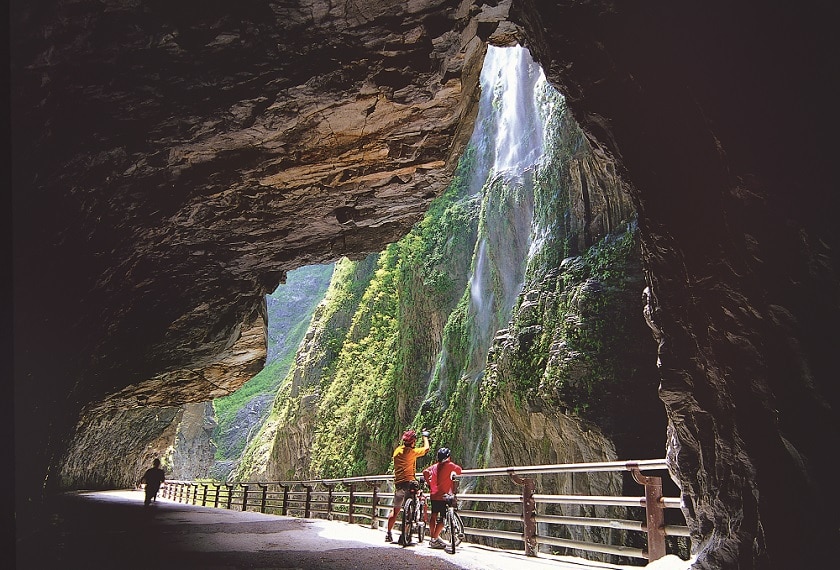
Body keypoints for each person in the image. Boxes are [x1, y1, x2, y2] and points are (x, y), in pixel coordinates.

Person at [385, 428, 430, 543]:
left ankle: (388, 533)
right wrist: (425, 437)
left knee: (395, 511)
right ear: (413, 442)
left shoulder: (397, 451)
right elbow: (426, 449)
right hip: (409, 483)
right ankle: (404, 535)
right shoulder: (412, 452)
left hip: (398, 484)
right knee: (410, 509)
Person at [422, 447, 463, 549]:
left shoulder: (435, 466)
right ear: (448, 457)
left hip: (433, 494)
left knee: (434, 515)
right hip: (443, 495)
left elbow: (425, 472)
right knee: (442, 519)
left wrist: (429, 483)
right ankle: (434, 539)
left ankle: (432, 538)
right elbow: (460, 470)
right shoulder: (450, 465)